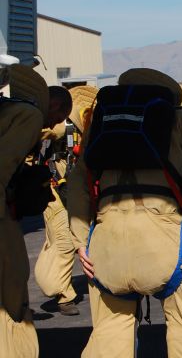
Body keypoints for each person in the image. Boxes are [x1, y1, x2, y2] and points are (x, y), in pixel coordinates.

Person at [67, 68, 182, 357]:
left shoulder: (100, 126)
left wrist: (80, 243)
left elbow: (78, 184)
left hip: (106, 244)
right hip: (167, 245)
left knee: (110, 330)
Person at [1, 64, 71, 357]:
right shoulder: (27, 116)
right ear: (50, 103)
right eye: (57, 116)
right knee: (12, 290)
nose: (56, 122)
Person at [34, 85, 98, 316]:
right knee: (63, 239)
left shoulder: (86, 120)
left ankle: (97, 283)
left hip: (80, 190)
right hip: (54, 191)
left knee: (83, 237)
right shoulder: (57, 126)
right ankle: (62, 294)